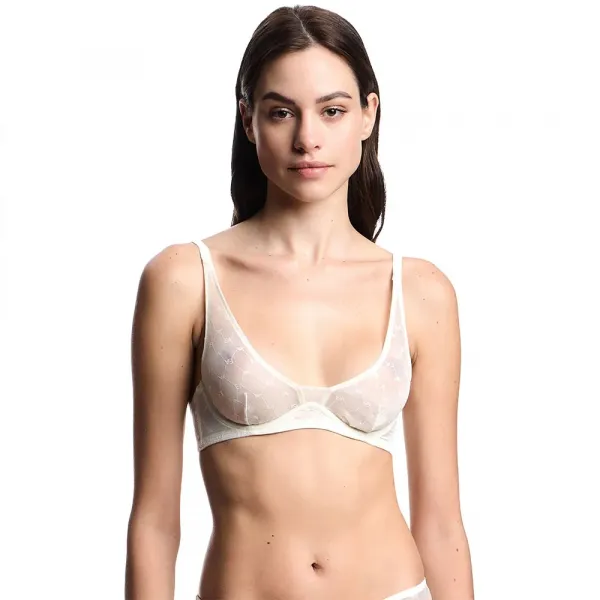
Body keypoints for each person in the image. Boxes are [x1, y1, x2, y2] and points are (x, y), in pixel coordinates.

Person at [125, 5, 474, 600]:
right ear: (248, 119)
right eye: (281, 111)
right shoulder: (185, 281)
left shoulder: (421, 291)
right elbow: (155, 523)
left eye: (332, 110)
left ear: (368, 114)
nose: (307, 137)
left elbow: (441, 524)